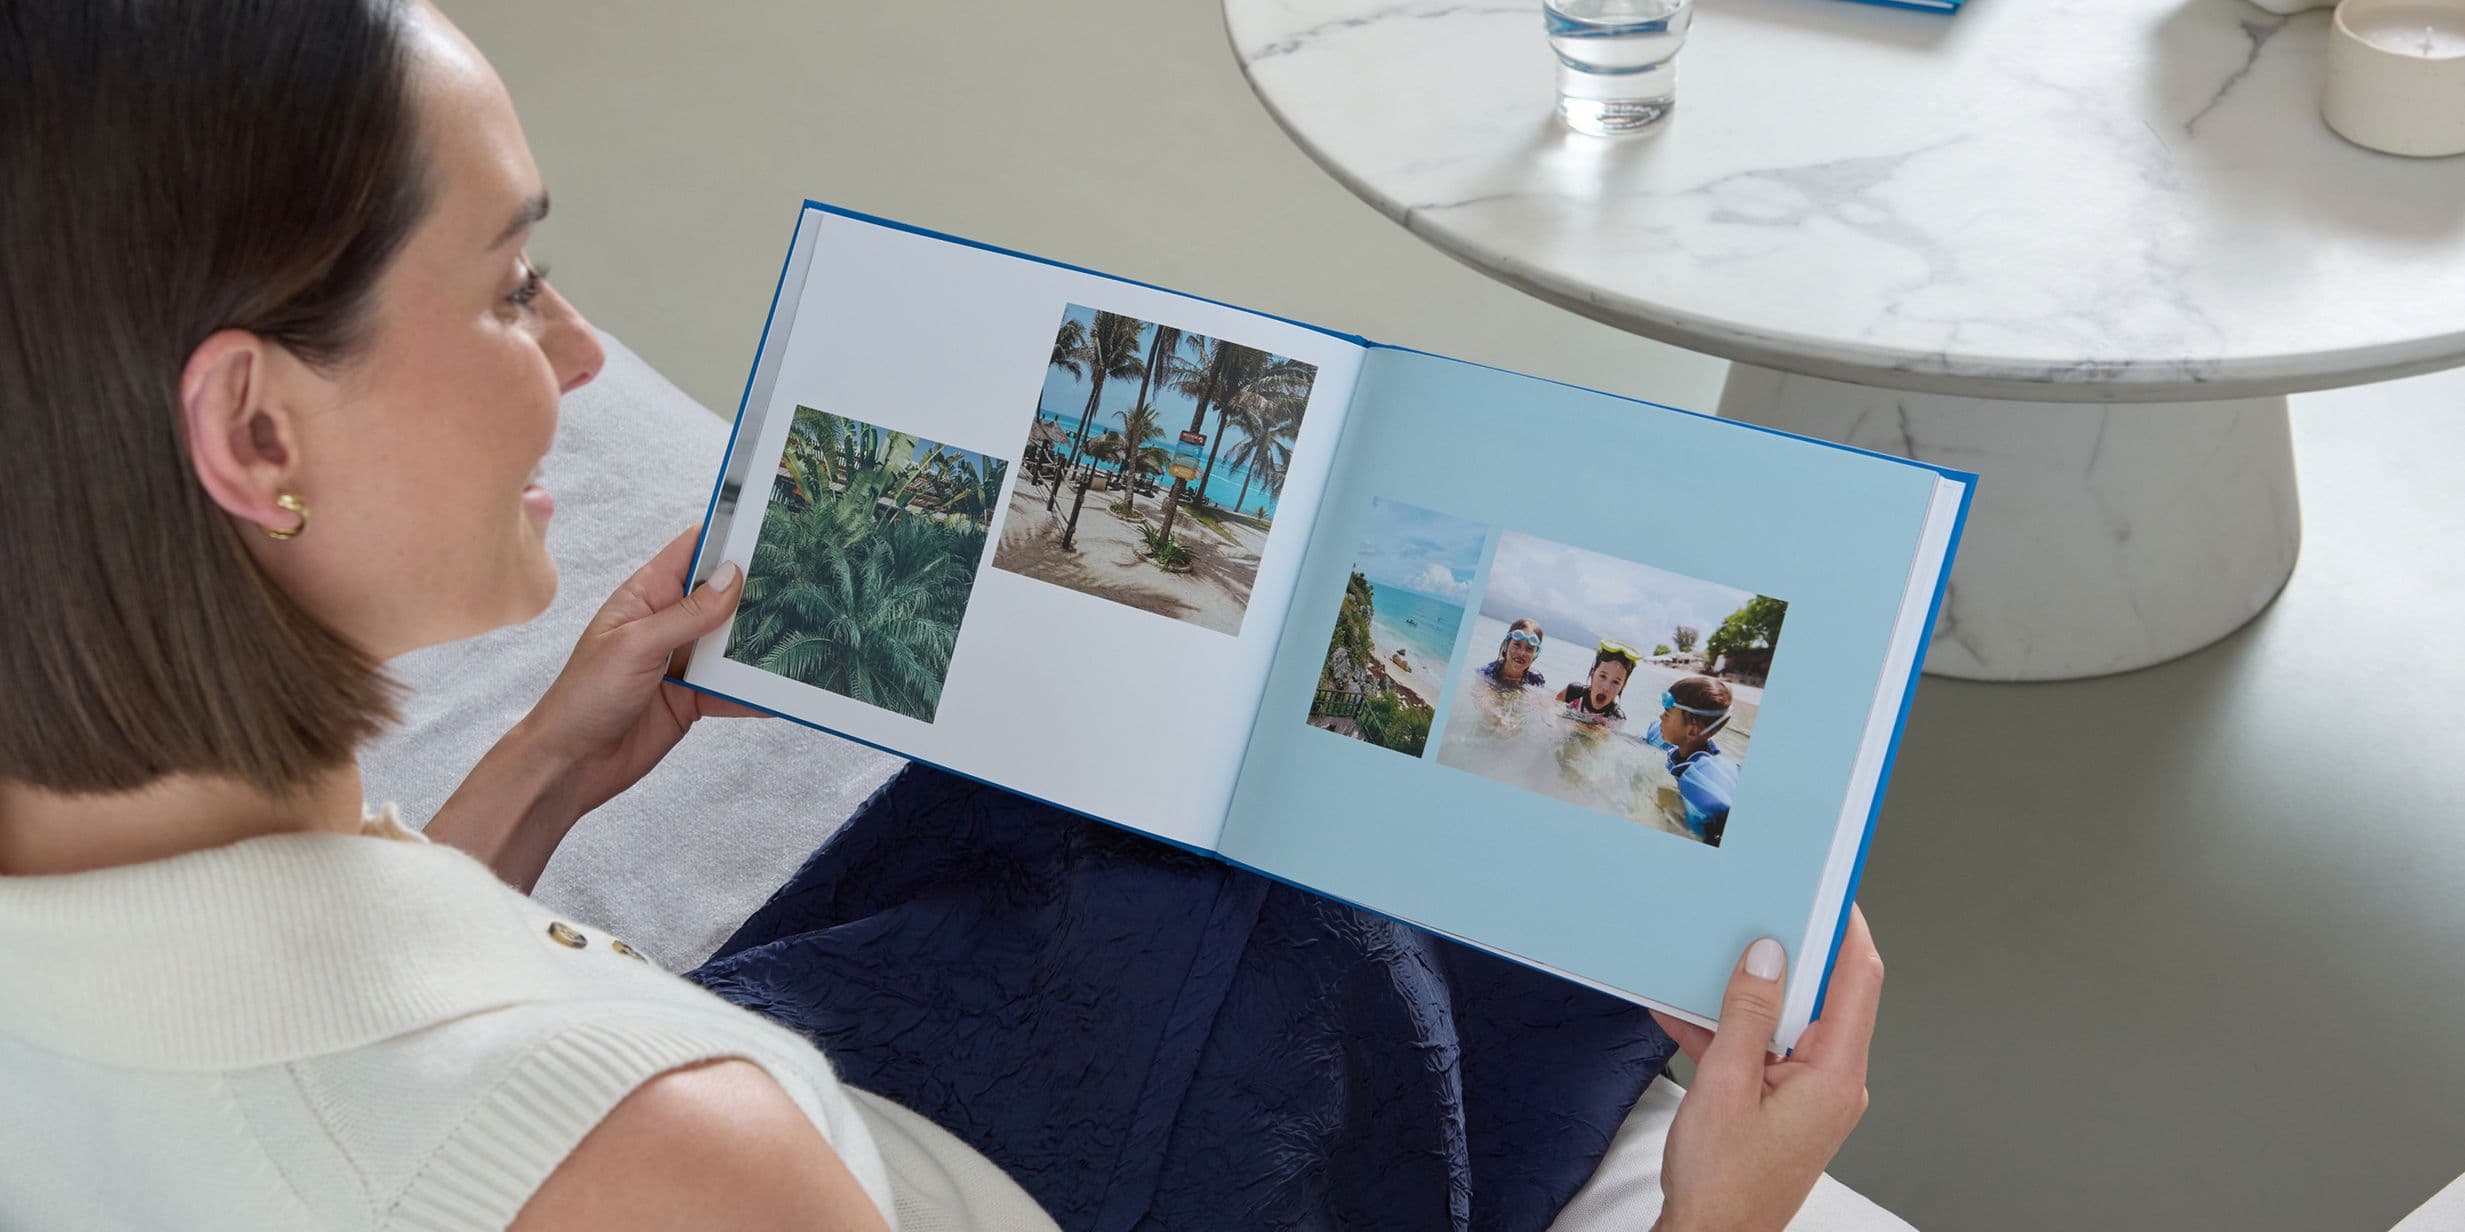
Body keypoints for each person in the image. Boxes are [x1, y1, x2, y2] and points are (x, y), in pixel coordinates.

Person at [0, 4, 1879, 1230]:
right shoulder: (676, 1162)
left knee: (1140, 786)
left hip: (828, 1071)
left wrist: (541, 776)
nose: (576, 349)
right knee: (1357, 911)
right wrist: (1719, 1216)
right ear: (254, 430)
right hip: (986, 1165)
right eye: (513, 287)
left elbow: (327, 997)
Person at [1640, 675, 1743, 843]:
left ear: (1692, 732)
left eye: (1667, 713)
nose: (1660, 717)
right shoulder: (1675, 748)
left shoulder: (1702, 780)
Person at [1560, 640, 1641, 726]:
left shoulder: (1616, 719)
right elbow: (1550, 709)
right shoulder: (1573, 693)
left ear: (1623, 686)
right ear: (1592, 673)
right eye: (1602, 676)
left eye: (1616, 682)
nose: (1606, 687)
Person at [1479, 618, 1549, 689]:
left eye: (1529, 649)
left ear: (1536, 654)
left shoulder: (1535, 678)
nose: (1521, 653)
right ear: (1506, 645)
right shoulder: (1488, 672)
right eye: (1517, 645)